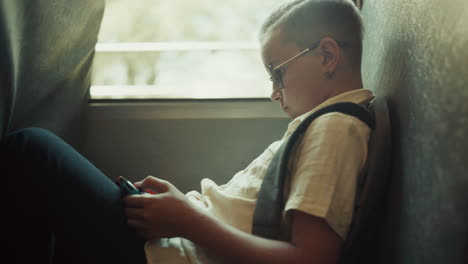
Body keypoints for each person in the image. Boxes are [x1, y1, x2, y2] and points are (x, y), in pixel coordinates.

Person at [2, 0, 373, 263]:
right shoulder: (321, 125)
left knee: (33, 149)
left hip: (172, 252)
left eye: (277, 72)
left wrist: (187, 220)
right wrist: (181, 209)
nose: (274, 92)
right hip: (175, 240)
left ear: (327, 56)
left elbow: (310, 259)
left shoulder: (335, 129)